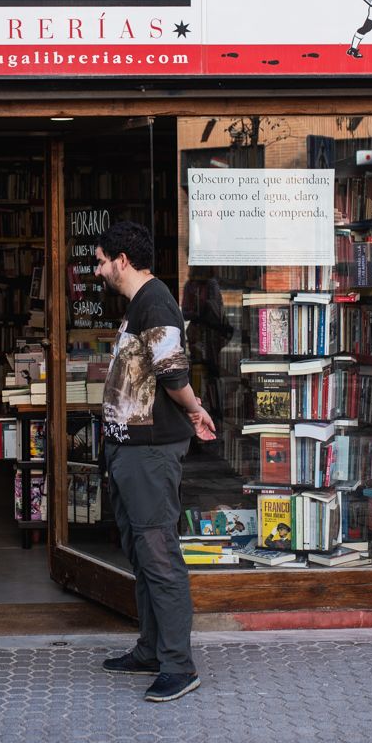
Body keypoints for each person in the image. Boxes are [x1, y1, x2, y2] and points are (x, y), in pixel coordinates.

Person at [93, 220, 216, 703]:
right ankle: (150, 649)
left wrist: (194, 408)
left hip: (148, 454)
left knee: (159, 554)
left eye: (101, 260)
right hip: (130, 451)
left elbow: (171, 371)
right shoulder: (141, 305)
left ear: (122, 260)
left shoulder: (157, 303)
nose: (98, 270)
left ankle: (178, 666)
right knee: (142, 554)